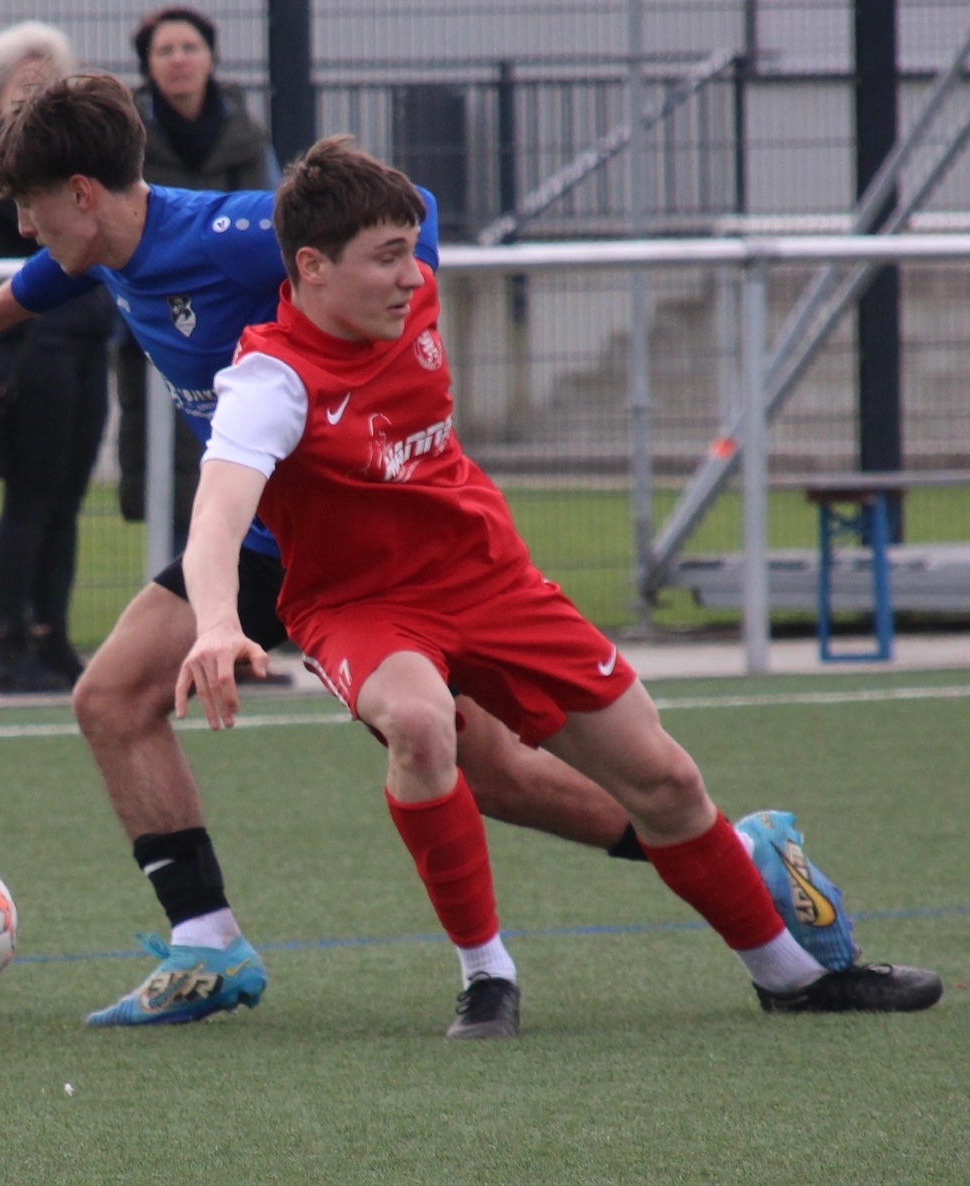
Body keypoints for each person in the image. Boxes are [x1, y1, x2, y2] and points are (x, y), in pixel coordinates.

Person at [0, 74, 940, 1031]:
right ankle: (214, 942)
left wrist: (391, 327)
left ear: (83, 193)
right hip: (275, 538)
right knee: (133, 701)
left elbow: (404, 217)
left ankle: (731, 859)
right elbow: (57, 279)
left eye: (30, 207)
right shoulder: (104, 252)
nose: (22, 229)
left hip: (334, 540)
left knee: (492, 771)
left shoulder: (236, 237)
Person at [173, 136, 945, 1036]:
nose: (411, 276)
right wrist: (217, 623)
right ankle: (486, 976)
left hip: (487, 578)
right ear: (311, 267)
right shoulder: (269, 381)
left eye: (410, 252)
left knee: (667, 782)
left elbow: (407, 213)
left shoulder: (412, 295)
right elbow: (216, 518)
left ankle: (789, 978)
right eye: (385, 258)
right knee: (421, 725)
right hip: (360, 607)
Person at [0, 24, 117, 693]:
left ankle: (53, 637)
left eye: (45, 82)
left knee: (67, 497)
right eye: (21, 85)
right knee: (30, 496)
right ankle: (12, 644)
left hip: (85, 336)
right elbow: (35, 233)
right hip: (29, 347)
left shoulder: (75, 165)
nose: (33, 95)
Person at [115, 6, 280, 551]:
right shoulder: (123, 141)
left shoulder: (248, 137)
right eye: (165, 50)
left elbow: (277, 220)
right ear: (147, 65)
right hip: (154, 323)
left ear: (212, 58)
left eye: (190, 48)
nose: (179, 60)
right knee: (169, 476)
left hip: (239, 326)